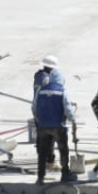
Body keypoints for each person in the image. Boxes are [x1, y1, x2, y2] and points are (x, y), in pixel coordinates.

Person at [31, 55, 77, 184]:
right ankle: (65, 174)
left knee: (42, 152)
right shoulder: (62, 91)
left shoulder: (40, 88)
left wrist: (39, 120)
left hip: (43, 125)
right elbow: (68, 109)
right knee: (63, 149)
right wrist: (73, 120)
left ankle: (40, 178)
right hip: (58, 125)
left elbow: (34, 107)